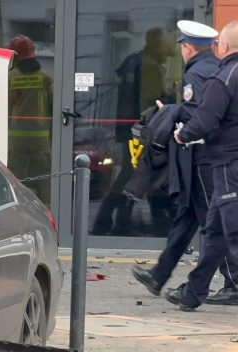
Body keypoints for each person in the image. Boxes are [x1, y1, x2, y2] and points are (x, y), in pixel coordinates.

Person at [133, 21, 238, 304]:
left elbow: (201, 116)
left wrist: (178, 130)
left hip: (218, 161)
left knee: (226, 230)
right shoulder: (221, 72)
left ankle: (231, 284)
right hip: (217, 160)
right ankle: (185, 289)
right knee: (207, 224)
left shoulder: (218, 76)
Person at [164, 20, 238, 311]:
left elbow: (206, 119)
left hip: (228, 165)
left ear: (224, 47)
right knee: (216, 232)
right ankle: (192, 293)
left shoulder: (225, 77)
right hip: (228, 165)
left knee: (231, 233)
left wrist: (182, 134)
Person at [93, 27, 176, 236]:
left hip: (131, 130)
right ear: (158, 45)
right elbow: (150, 103)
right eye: (166, 44)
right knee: (132, 175)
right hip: (140, 132)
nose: (169, 48)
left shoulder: (140, 61)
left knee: (133, 175)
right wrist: (167, 101)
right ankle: (108, 221)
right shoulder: (150, 67)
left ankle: (120, 221)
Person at [6, 35, 54, 205]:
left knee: (14, 178)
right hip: (40, 139)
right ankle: (48, 212)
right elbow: (54, 105)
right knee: (46, 178)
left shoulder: (9, 77)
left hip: (15, 139)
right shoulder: (45, 77)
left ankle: (17, 209)